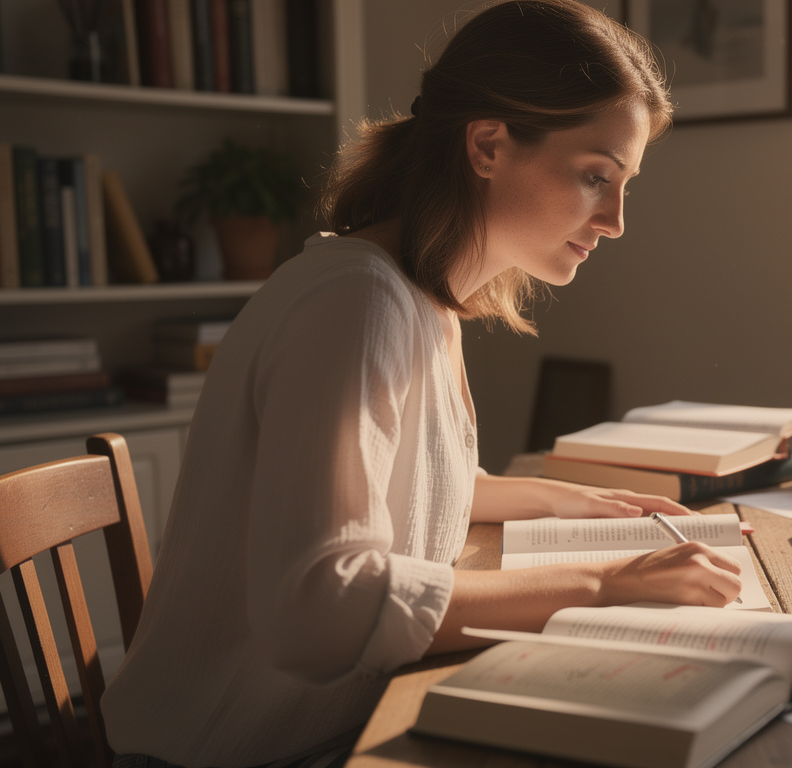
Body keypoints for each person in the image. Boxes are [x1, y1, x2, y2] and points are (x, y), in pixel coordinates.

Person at [102, 2, 744, 766]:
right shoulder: (354, 303)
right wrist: (607, 584)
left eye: (625, 183)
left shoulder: (419, 299)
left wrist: (568, 501)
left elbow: (415, 485)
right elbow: (318, 607)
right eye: (595, 177)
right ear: (487, 145)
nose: (614, 220)